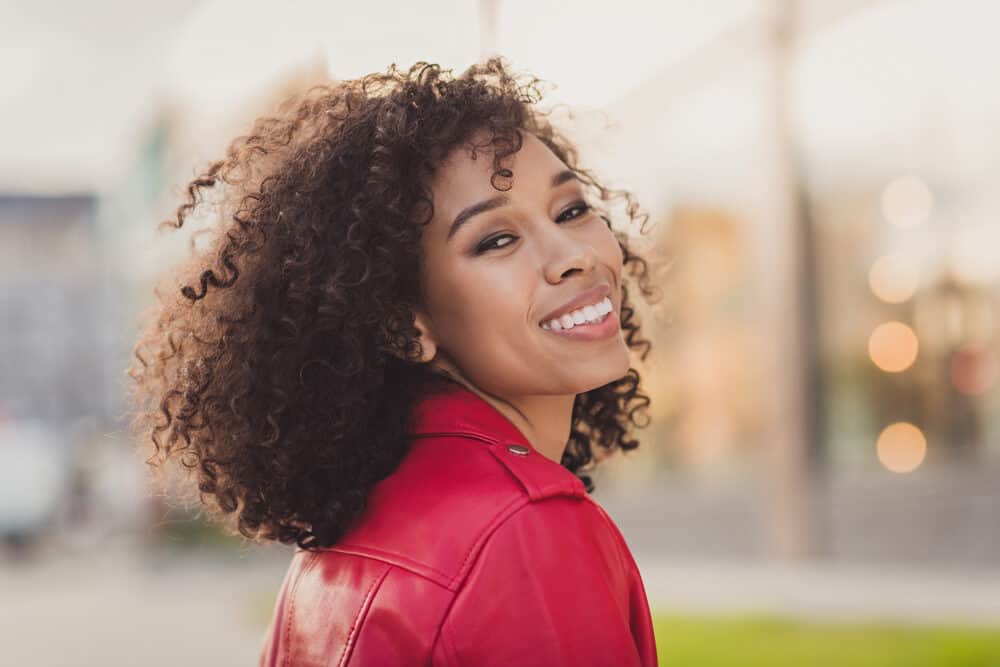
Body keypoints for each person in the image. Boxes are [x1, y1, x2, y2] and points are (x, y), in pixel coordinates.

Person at [126, 56, 661, 666]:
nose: (572, 255)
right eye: (496, 240)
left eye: (570, 210)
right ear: (405, 325)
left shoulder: (332, 553)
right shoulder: (524, 530)